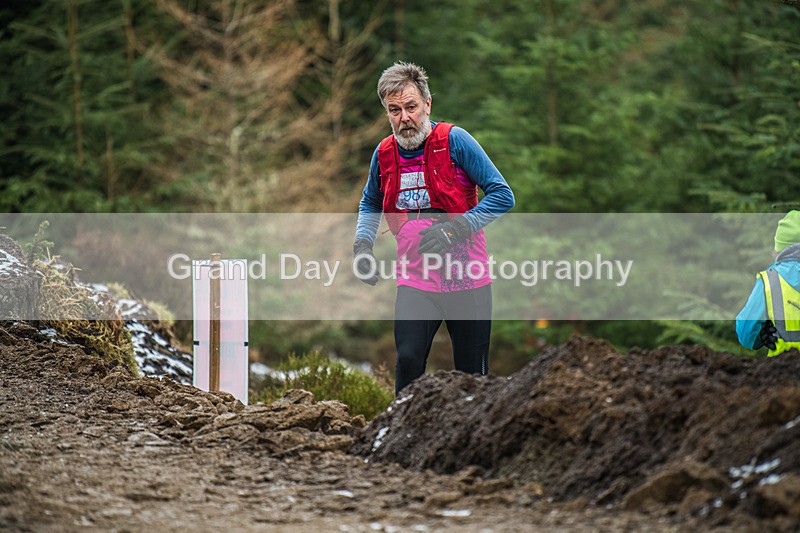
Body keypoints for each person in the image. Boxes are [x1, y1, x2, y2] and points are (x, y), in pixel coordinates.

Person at [353, 61, 514, 394]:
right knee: (408, 361)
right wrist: (362, 246)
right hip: (416, 279)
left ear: (427, 104)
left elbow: (502, 195)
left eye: (411, 107)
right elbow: (370, 203)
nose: (404, 118)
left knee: (473, 378)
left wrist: (456, 229)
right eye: (394, 110)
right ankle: (397, 438)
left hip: (467, 277)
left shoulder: (456, 141)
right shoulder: (383, 153)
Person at [736, 210, 800, 356]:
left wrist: (761, 337)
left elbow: (746, 334)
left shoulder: (770, 281)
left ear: (779, 249)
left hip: (783, 373)